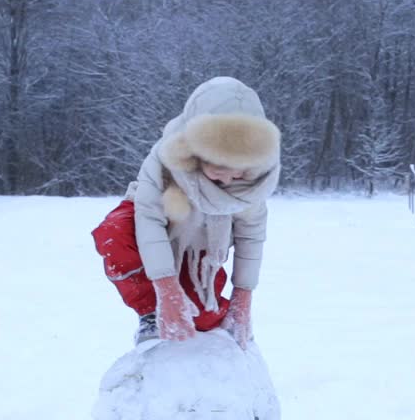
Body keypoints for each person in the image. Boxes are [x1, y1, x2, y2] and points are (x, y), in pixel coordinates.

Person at [92, 76, 281, 349]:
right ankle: (151, 315)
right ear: (196, 149)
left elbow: (251, 235)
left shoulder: (253, 179)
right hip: (157, 229)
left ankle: (224, 334)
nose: (228, 179)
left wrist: (243, 297)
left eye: (237, 167)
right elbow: (148, 221)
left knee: (200, 320)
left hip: (203, 246)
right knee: (115, 233)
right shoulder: (164, 160)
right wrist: (166, 291)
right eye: (219, 164)